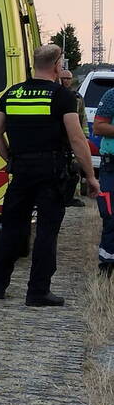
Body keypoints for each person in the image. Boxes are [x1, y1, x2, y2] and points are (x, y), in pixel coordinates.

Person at [0, 44, 99, 306]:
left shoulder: (12, 94)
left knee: (12, 229)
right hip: (51, 172)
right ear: (58, 64)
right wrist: (90, 176)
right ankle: (38, 291)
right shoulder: (62, 96)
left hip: (21, 171)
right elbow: (76, 139)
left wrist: (11, 159)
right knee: (47, 231)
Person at [89, 86, 114, 274]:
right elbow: (98, 127)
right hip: (112, 165)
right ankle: (108, 266)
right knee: (111, 216)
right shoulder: (112, 95)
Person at [59, 69, 87, 207]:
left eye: (69, 78)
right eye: (64, 78)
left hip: (73, 137)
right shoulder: (55, 94)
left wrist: (84, 136)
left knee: (75, 168)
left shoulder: (77, 97)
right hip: (59, 139)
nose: (67, 81)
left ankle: (72, 197)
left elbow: (82, 118)